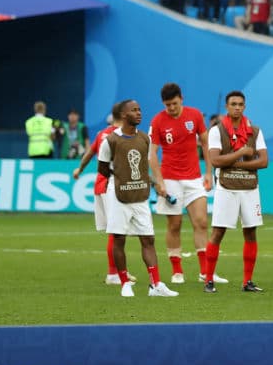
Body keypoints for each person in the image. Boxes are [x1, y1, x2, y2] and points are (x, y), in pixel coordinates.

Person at [96, 99, 178, 298]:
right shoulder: (111, 140)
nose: (139, 113)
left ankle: (156, 284)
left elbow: (143, 167)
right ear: (124, 115)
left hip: (140, 197)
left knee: (148, 240)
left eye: (140, 109)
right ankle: (125, 283)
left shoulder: (144, 138)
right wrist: (121, 179)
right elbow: (103, 169)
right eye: (134, 110)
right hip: (118, 197)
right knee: (119, 239)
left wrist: (152, 183)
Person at [147, 82, 216, 285]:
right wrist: (159, 181)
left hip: (194, 178)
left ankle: (205, 272)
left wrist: (209, 173)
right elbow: (152, 153)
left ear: (181, 99)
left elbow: (205, 143)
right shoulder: (158, 121)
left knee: (202, 222)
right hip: (170, 179)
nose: (171, 108)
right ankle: (177, 271)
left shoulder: (195, 116)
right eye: (168, 105)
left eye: (174, 103)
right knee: (174, 224)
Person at [202, 91, 268, 293]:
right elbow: (215, 160)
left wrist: (238, 165)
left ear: (244, 107)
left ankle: (247, 281)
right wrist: (240, 154)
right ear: (227, 107)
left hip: (249, 187)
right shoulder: (217, 130)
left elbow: (264, 161)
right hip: (226, 187)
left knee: (250, 232)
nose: (237, 107)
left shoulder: (255, 131)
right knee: (218, 232)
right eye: (233, 104)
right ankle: (209, 280)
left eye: (240, 104)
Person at [73, 102, 136, 286]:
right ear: (124, 116)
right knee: (116, 232)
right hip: (112, 186)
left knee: (116, 230)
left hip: (101, 185)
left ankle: (119, 270)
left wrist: (79, 169)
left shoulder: (102, 134)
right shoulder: (121, 135)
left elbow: (89, 153)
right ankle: (113, 274)